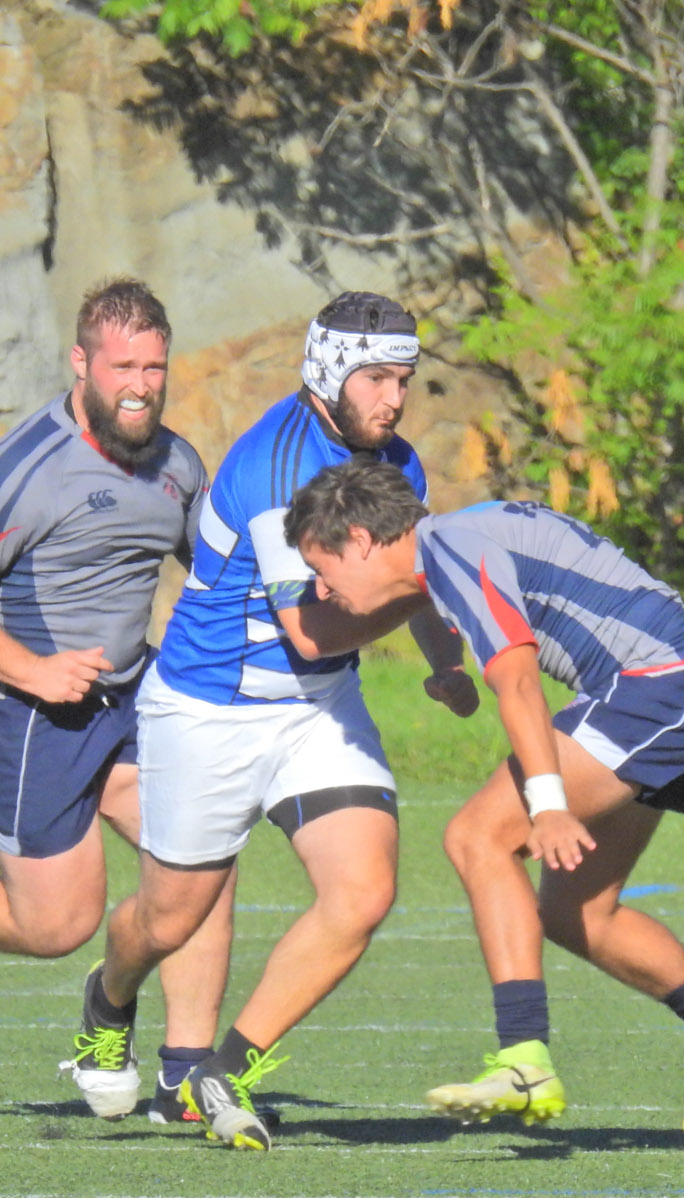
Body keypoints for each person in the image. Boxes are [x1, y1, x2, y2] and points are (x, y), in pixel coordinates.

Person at [283, 459, 684, 1135]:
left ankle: (524, 1062)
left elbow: (520, 681)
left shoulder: (453, 547)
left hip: (655, 687)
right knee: (576, 912)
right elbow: (453, 609)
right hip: (676, 685)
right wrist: (449, 669)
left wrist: (549, 805)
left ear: (359, 539)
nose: (323, 587)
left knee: (478, 836)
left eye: (322, 566)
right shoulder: (450, 541)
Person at [87, 291, 478, 1151]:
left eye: (404, 379)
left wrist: (444, 660)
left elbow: (398, 574)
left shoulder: (397, 462)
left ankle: (223, 1070)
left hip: (317, 707)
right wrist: (434, 584)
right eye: (376, 379)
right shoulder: (276, 466)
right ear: (328, 373)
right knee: (167, 920)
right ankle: (108, 998)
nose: (394, 399)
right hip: (210, 711)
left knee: (363, 892)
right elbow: (311, 629)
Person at [0, 277, 234, 1120]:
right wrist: (32, 671)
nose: (141, 386)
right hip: (17, 713)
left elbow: (215, 576)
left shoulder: (178, 465)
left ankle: (184, 1073)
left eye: (155, 368)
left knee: (203, 859)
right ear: (81, 363)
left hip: (125, 701)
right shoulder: (24, 468)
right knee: (58, 926)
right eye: (123, 367)